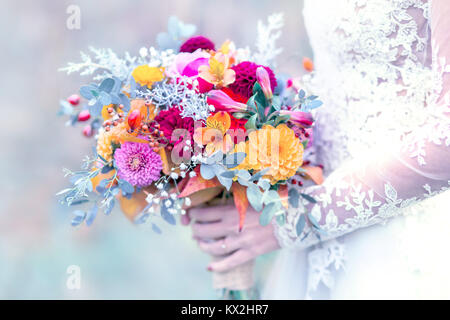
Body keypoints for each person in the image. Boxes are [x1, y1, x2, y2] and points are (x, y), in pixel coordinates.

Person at [184, 0, 450, 299]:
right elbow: (344, 77)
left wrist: (295, 222)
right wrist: (242, 151)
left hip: (401, 234)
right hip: (318, 205)